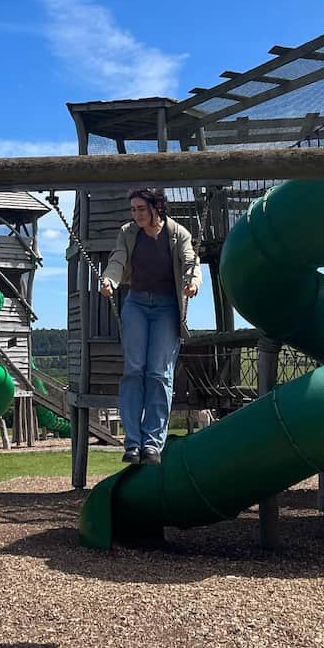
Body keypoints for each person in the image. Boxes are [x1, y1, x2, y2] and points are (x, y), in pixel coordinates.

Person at [99, 188, 201, 466]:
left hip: (168, 306)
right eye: (132, 210)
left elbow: (191, 260)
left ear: (156, 208)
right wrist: (110, 280)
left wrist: (192, 282)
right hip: (137, 304)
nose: (136, 215)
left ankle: (153, 443)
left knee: (159, 373)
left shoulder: (178, 233)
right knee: (134, 370)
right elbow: (118, 260)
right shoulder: (128, 233)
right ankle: (133, 443)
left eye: (141, 209)